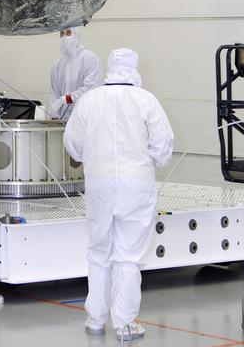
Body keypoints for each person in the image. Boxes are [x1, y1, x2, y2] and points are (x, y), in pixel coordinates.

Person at [64, 47, 174, 339]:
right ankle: (124, 322)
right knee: (129, 254)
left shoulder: (89, 101)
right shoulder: (146, 100)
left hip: (99, 185)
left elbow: (73, 145)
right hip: (136, 185)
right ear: (134, 67)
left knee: (99, 251)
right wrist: (151, 159)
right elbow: (163, 146)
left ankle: (95, 320)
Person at [49, 27, 103, 120]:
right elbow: (54, 93)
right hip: (64, 120)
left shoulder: (90, 59)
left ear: (76, 35)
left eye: (68, 33)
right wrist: (54, 115)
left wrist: (66, 99)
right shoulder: (58, 65)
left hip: (86, 118)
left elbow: (91, 90)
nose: (64, 37)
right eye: (62, 34)